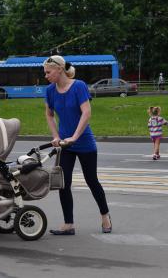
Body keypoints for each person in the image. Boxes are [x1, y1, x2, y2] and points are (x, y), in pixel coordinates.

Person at [43, 55, 112, 235]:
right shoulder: (50, 90)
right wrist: (56, 135)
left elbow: (86, 113)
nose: (46, 76)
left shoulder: (79, 86)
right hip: (65, 144)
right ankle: (69, 224)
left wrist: (75, 136)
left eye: (48, 72)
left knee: (92, 181)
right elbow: (49, 115)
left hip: (84, 142)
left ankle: (105, 215)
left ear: (59, 69)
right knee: (63, 183)